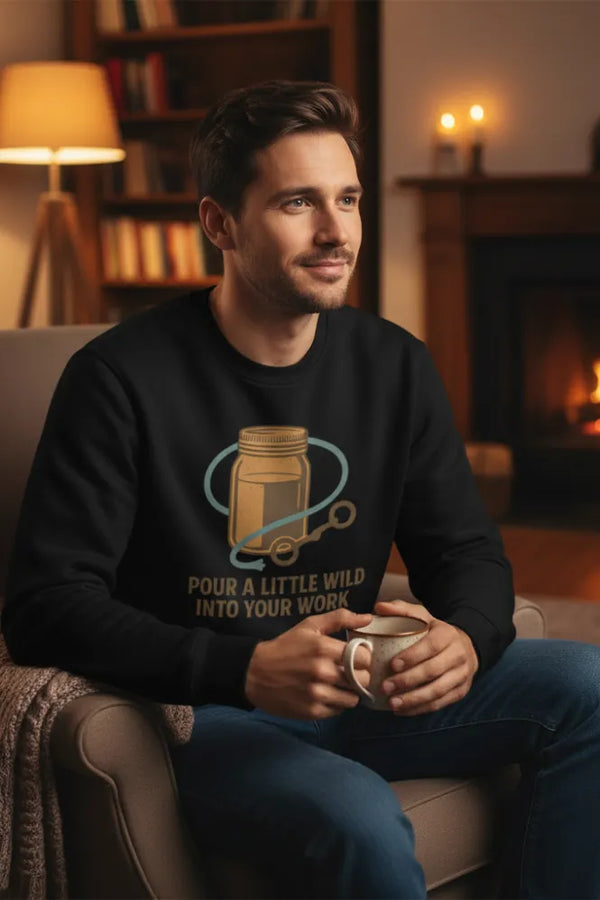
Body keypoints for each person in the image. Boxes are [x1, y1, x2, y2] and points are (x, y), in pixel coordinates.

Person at [3, 79, 600, 900]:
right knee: (358, 817)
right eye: (297, 203)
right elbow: (45, 604)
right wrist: (244, 668)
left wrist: (466, 635)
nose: (335, 231)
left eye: (347, 199)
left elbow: (465, 549)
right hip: (209, 715)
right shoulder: (118, 378)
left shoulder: (394, 364)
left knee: (587, 685)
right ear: (220, 223)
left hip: (365, 686)